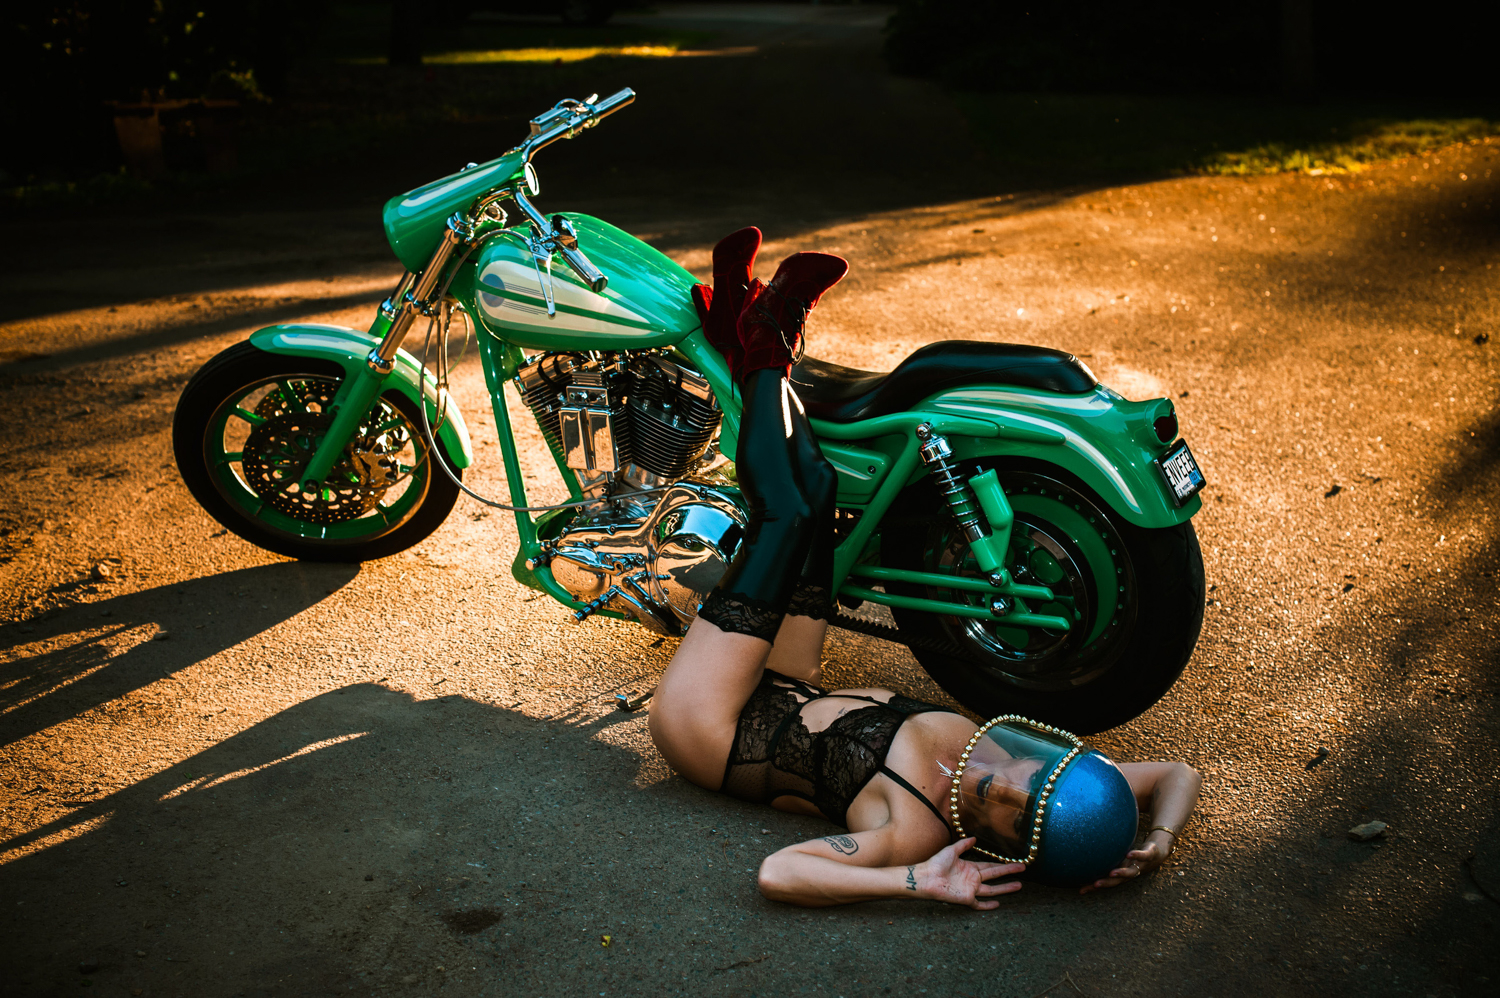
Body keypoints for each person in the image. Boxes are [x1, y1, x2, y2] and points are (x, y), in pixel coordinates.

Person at [649, 227, 1203, 909]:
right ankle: (745, 329)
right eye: (1031, 781)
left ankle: (767, 334)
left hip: (712, 728)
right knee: (817, 493)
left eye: (1013, 817)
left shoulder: (913, 830)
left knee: (784, 515)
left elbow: (781, 875)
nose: (1004, 787)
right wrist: (1163, 839)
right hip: (789, 687)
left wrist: (920, 882)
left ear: (1016, 848)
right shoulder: (1018, 766)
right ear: (1053, 763)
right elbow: (1175, 773)